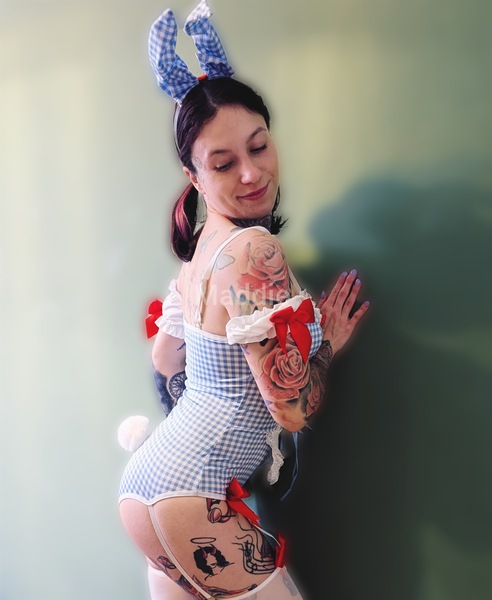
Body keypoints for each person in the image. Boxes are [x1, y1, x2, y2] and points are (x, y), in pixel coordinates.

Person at [119, 2, 369, 598]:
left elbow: (165, 361)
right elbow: (292, 411)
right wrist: (326, 345)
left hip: (143, 489)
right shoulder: (255, 249)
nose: (252, 174)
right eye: (224, 163)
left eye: (259, 147)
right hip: (192, 501)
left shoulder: (199, 251)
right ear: (195, 175)